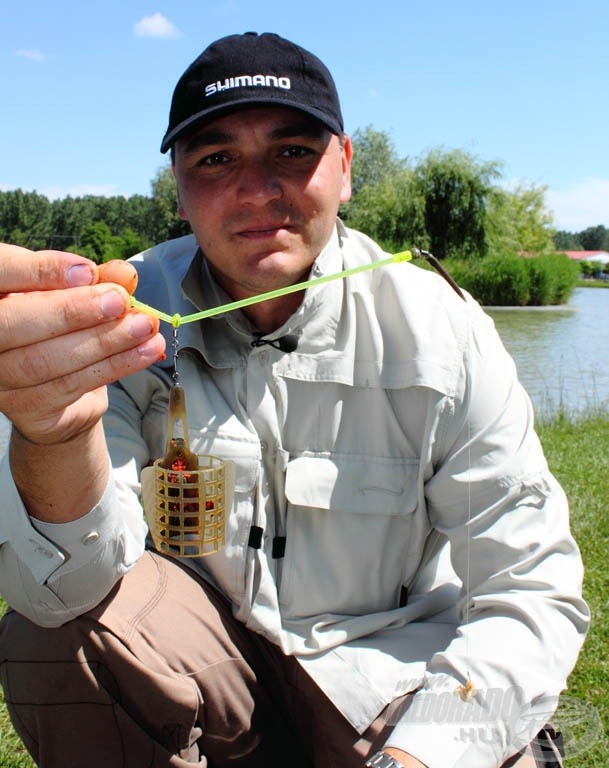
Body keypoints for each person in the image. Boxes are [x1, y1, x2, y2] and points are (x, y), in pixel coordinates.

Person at [0, 31, 588, 768]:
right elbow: (60, 594)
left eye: (292, 152)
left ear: (343, 167)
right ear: (176, 186)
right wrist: (53, 431)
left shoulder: (442, 325)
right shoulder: (117, 320)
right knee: (52, 639)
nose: (256, 189)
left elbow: (530, 589)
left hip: (393, 678)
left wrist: (418, 758)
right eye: (216, 159)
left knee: (476, 739)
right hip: (207, 669)